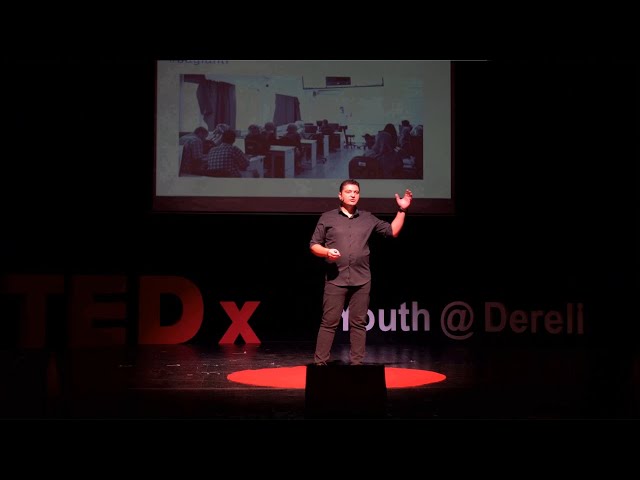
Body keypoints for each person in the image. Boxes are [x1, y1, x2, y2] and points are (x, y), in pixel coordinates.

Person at [309, 179, 413, 365]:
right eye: (348, 192)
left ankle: (357, 364)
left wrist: (402, 210)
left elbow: (392, 231)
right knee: (329, 322)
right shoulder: (327, 217)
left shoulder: (367, 218)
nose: (352, 195)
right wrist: (326, 252)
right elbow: (314, 245)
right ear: (340, 195)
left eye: (356, 192)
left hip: (362, 279)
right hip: (336, 278)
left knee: (358, 323)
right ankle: (320, 364)